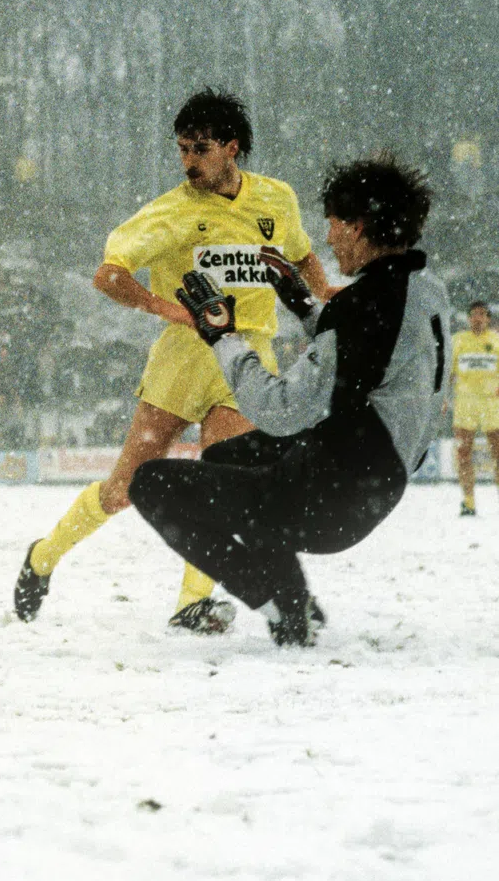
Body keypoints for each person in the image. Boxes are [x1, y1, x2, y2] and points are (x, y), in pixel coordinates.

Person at [14, 87, 335, 633]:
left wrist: (326, 314)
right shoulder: (169, 212)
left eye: (200, 149)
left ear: (231, 148)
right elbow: (108, 274)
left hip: (248, 354)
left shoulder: (276, 200)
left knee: (223, 482)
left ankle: (191, 605)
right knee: (122, 490)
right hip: (182, 358)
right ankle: (41, 559)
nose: (188, 161)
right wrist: (172, 310)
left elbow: (301, 255)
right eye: (183, 149)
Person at [130, 154, 449, 646]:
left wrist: (223, 337)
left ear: (358, 227)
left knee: (149, 484)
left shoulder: (364, 306)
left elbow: (280, 411)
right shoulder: (425, 290)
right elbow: (369, 355)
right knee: (225, 455)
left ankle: (279, 603)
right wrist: (304, 304)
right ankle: (291, 596)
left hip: (337, 496)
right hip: (377, 477)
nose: (329, 239)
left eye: (335, 225)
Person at [448, 301, 498, 516]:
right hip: (465, 404)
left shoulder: (496, 340)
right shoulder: (458, 341)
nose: (477, 318)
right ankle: (469, 502)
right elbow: (448, 373)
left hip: (492, 404)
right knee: (463, 453)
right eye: (474, 315)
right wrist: (441, 399)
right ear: (468, 318)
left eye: (482, 314)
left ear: (488, 318)